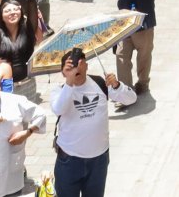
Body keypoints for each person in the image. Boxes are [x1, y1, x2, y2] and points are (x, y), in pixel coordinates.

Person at [50, 49, 136, 197]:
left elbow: (131, 99)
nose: (76, 67)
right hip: (69, 160)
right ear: (63, 72)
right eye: (69, 66)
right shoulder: (59, 91)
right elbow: (59, 109)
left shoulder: (100, 83)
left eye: (79, 62)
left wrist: (116, 85)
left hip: (99, 160)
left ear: (86, 65)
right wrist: (69, 81)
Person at [98, 0, 156, 97]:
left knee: (143, 57)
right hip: (125, 23)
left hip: (142, 25)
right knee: (121, 56)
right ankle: (126, 91)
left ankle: (143, 84)